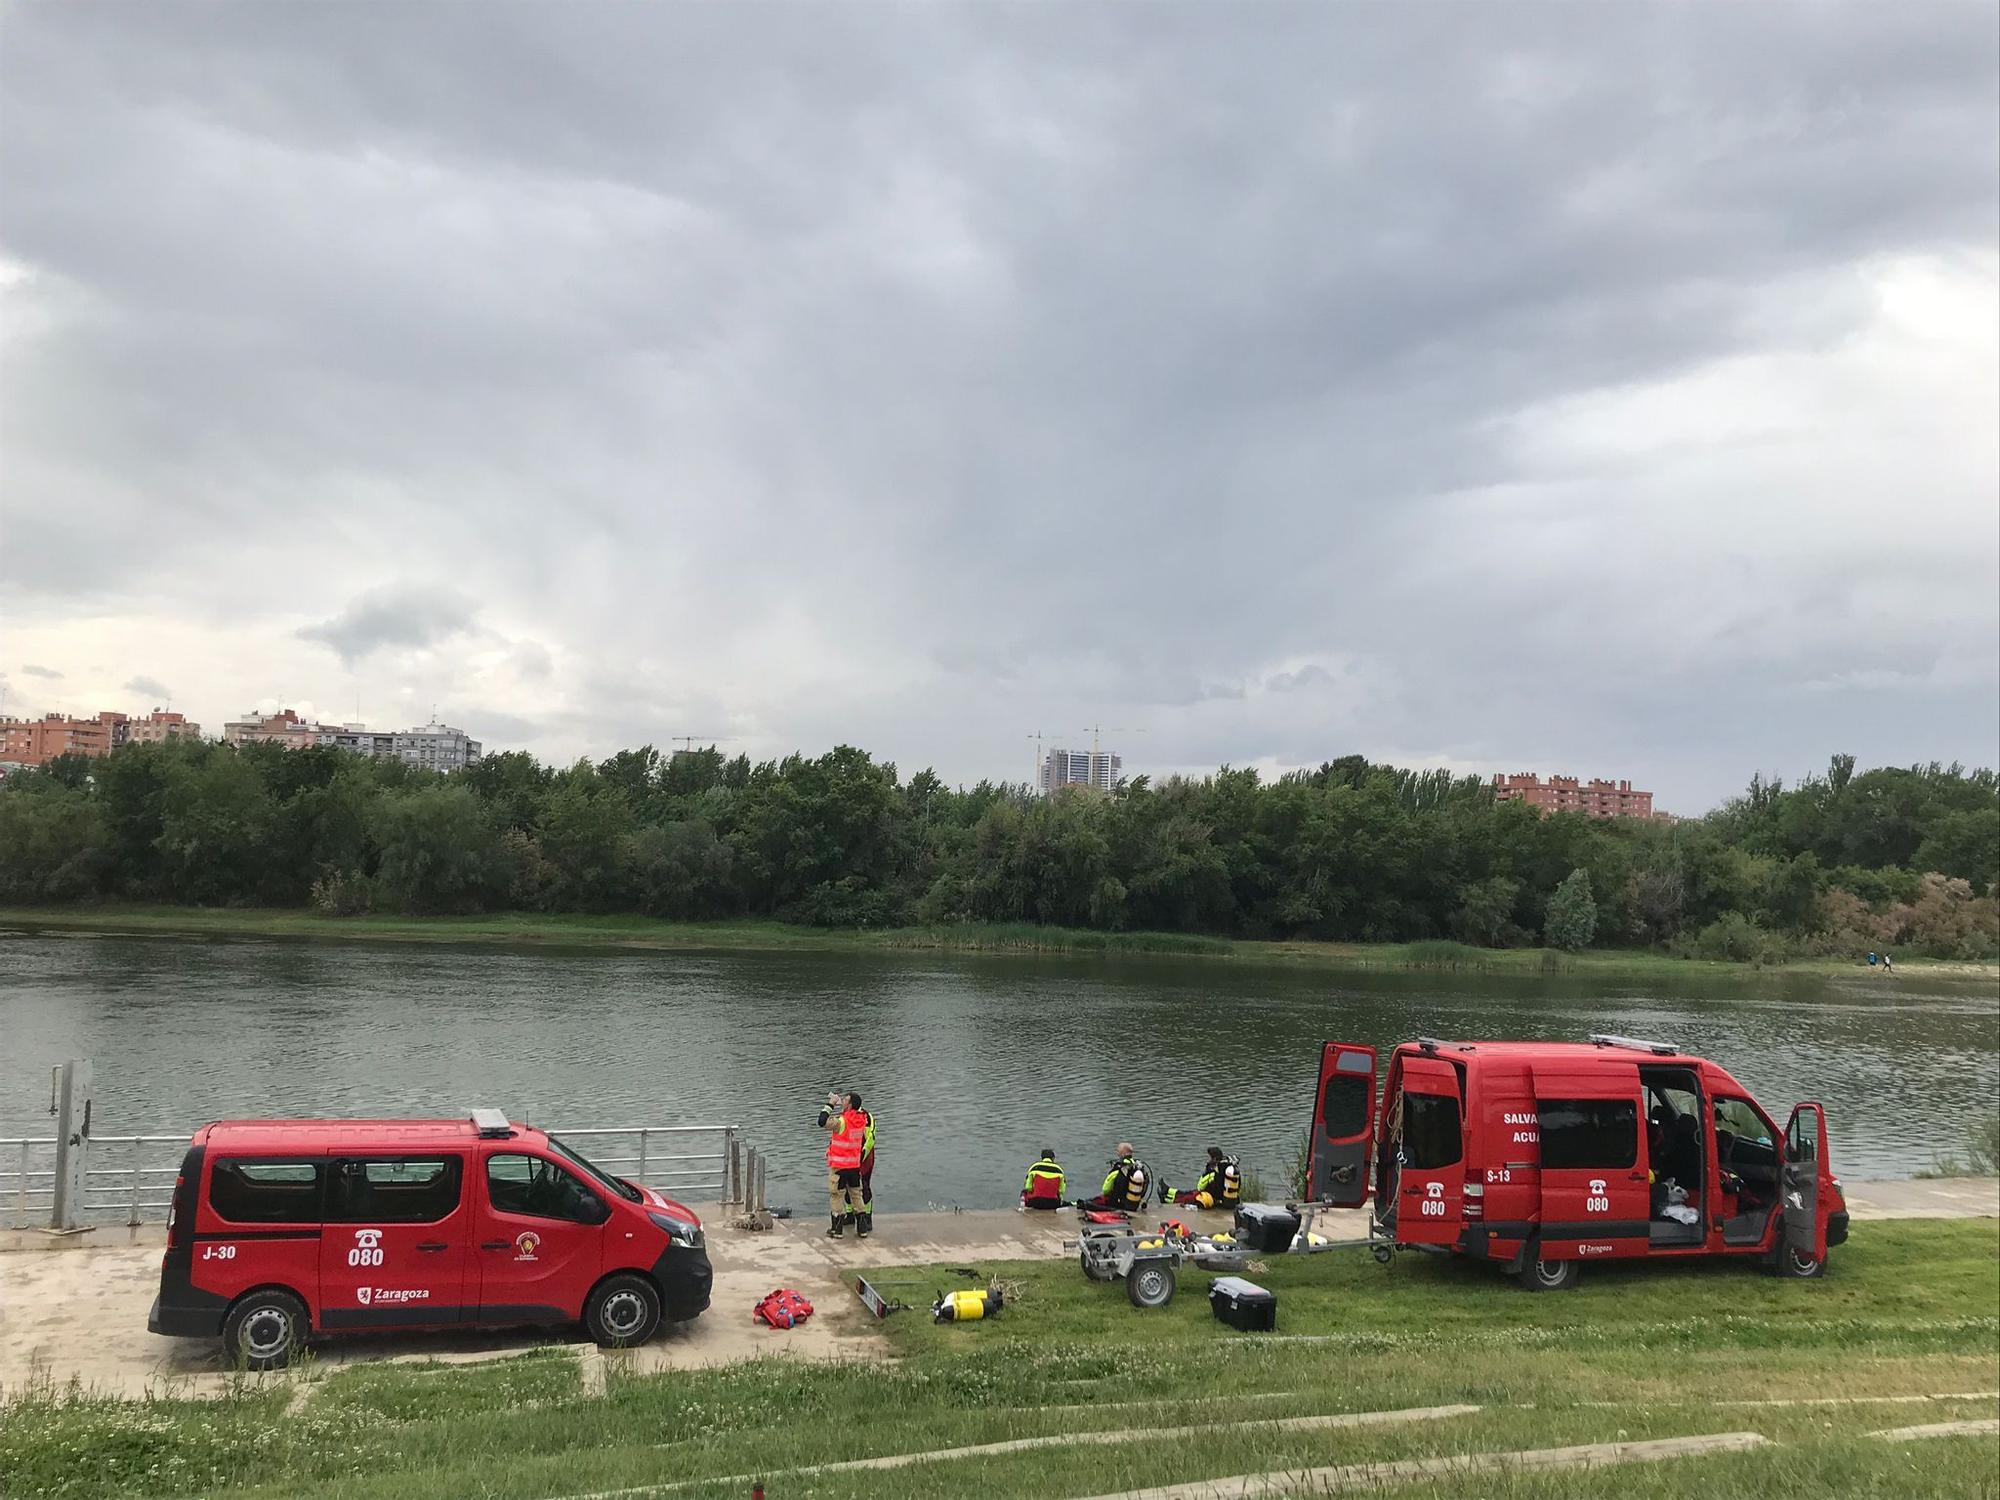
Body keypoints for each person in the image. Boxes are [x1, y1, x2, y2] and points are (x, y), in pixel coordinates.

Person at [819, 1090, 869, 1238]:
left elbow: (821, 1121)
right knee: (856, 1195)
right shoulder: (861, 1121)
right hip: (854, 1166)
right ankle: (862, 1228)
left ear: (850, 1104)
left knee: (836, 1196)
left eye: (845, 1100)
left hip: (839, 1167)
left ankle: (837, 1229)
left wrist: (831, 1104)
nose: (843, 1101)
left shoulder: (842, 1121)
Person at [1077, 1144, 1150, 1212]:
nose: (1117, 1153)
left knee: (1089, 1203)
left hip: (1117, 1204)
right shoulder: (1139, 1167)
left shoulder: (1119, 1168)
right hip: (1134, 1204)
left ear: (1122, 1153)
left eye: (1118, 1151)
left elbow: (1105, 1189)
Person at [1160, 1147, 1242, 1209]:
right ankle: (1167, 1191)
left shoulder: (1214, 1171)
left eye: (1210, 1157)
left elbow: (1200, 1186)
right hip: (1228, 1199)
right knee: (1189, 1193)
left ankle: (1167, 1198)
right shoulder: (1229, 1168)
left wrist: (1208, 1170)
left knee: (1190, 1196)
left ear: (1214, 1158)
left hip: (1214, 1199)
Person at [851, 1092, 876, 1236]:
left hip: (864, 1160)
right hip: (848, 1159)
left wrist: (860, 1157)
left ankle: (867, 1217)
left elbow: (870, 1139)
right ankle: (850, 1215)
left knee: (864, 1187)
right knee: (848, 1188)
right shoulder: (845, 1117)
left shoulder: (867, 1118)